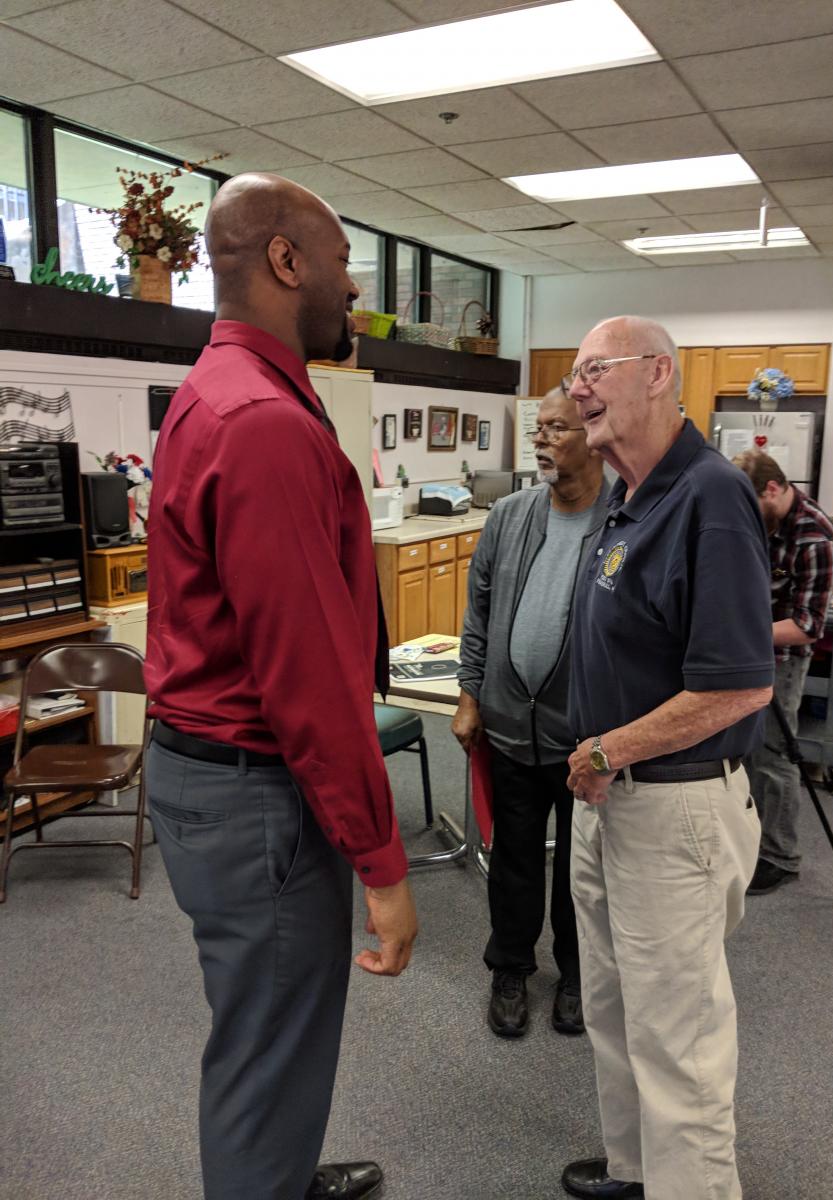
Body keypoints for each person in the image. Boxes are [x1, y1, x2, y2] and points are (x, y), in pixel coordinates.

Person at [144, 173, 417, 1200]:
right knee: (267, 1047)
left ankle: (281, 1174)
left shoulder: (216, 393)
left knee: (270, 1030)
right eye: (345, 267)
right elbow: (308, 679)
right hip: (259, 793)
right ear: (287, 262)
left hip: (215, 780)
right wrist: (384, 865)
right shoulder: (262, 421)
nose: (355, 293)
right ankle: (267, 1177)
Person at [561, 316, 774, 1200]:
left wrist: (611, 745)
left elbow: (738, 686)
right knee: (616, 1013)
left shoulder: (709, 494)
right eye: (573, 375)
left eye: (593, 371)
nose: (577, 389)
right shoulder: (625, 491)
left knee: (678, 1042)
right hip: (612, 800)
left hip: (675, 805)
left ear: (657, 373)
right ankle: (638, 1174)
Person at [453, 387, 608, 1038]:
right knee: (514, 857)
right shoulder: (509, 516)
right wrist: (468, 696)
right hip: (511, 723)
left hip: (587, 736)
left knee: (584, 867)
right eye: (538, 429)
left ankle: (577, 975)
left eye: (558, 429)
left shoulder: (626, 520)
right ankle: (510, 968)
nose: (541, 440)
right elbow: (479, 613)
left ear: (594, 436)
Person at [732, 449, 833, 894]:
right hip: (743, 648)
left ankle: (779, 855)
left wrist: (740, 633)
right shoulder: (762, 519)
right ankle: (743, 840)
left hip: (782, 658)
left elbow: (806, 626)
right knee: (740, 751)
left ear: (773, 489)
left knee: (774, 756)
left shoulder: (814, 536)